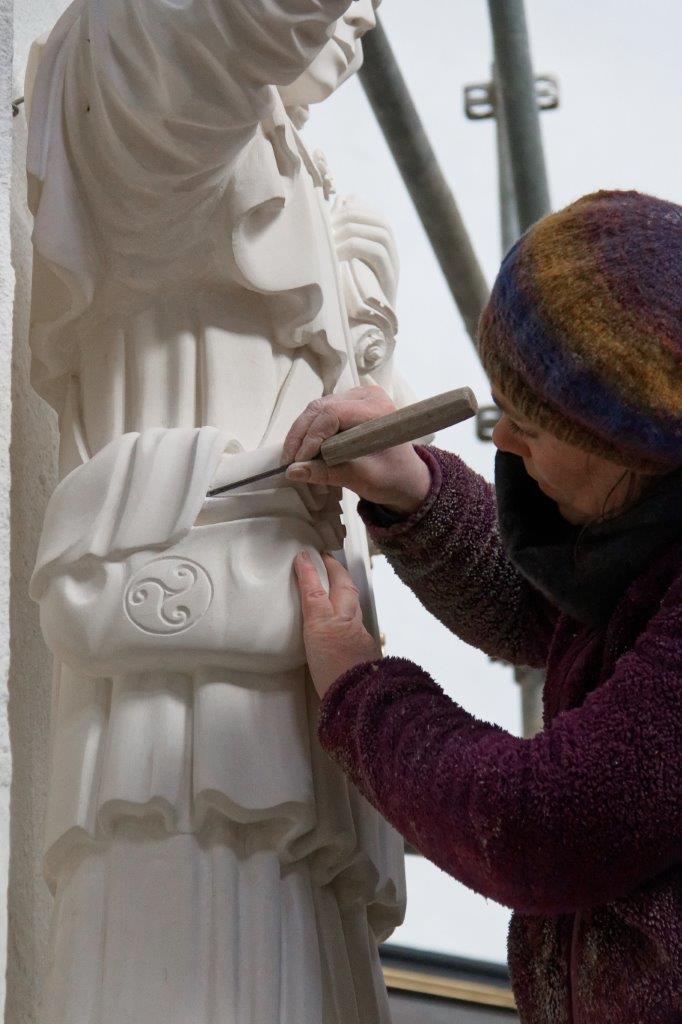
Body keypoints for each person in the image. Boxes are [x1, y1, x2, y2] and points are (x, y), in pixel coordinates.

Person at [284, 190, 682, 1024]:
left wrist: (365, 697)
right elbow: (553, 617)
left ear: (635, 449)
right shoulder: (645, 527)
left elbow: (544, 825)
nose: (500, 437)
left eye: (531, 423)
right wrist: (416, 490)